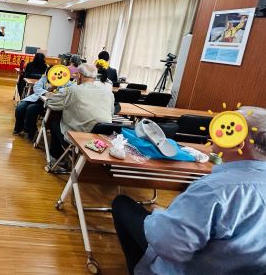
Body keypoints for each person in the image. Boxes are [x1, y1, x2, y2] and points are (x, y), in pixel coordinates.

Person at [112, 106, 266, 275]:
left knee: (122, 204)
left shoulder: (216, 190)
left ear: (237, 143)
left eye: (224, 128)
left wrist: (158, 217)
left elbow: (168, 245)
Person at [46, 63, 115, 162]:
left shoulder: (72, 90)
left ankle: (57, 159)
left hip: (79, 136)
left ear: (79, 75)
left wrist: (49, 95)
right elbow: (111, 113)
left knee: (54, 121)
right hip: (102, 138)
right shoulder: (109, 93)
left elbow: (51, 102)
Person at [14, 67, 74, 142]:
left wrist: (56, 88)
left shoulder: (65, 81)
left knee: (31, 109)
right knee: (20, 107)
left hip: (48, 104)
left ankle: (31, 132)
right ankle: (19, 128)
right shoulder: (44, 78)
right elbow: (36, 87)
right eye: (49, 74)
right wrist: (46, 92)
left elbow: (69, 90)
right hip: (36, 98)